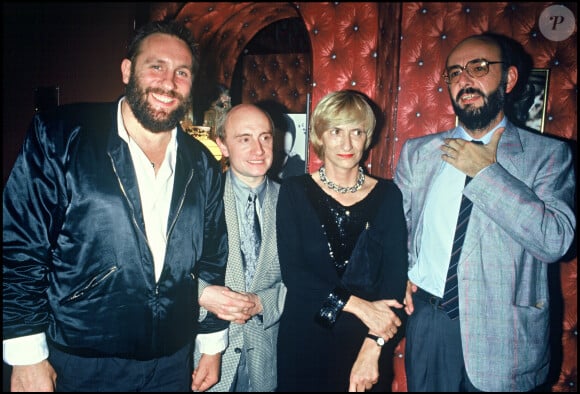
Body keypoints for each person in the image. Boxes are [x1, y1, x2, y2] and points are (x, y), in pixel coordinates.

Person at [3, 20, 230, 392]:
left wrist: (211, 345)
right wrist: (27, 354)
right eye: (156, 66)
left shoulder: (202, 161)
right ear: (127, 70)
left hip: (173, 360)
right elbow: (19, 247)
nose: (168, 82)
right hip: (81, 359)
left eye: (182, 72)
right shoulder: (61, 134)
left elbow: (212, 257)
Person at [394, 32, 576, 392]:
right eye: (455, 72)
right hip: (431, 326)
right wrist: (400, 272)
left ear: (508, 79)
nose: (465, 79)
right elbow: (398, 228)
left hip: (506, 334)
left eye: (478, 67)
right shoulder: (418, 152)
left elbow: (556, 240)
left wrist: (485, 173)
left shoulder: (548, 156)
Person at [276, 90, 408, 392]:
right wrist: (360, 306)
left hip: (366, 341)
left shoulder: (388, 196)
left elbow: (394, 285)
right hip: (304, 340)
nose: (347, 144)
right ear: (320, 136)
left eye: (357, 132)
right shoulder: (294, 191)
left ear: (368, 137)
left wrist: (373, 348)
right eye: (336, 131)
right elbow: (294, 275)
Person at [195, 103, 286, 391]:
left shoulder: (295, 204)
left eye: (265, 137)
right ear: (222, 144)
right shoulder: (196, 201)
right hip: (205, 358)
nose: (258, 150)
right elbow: (168, 272)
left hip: (266, 359)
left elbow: (306, 279)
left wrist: (264, 303)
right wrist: (202, 295)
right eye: (244, 139)